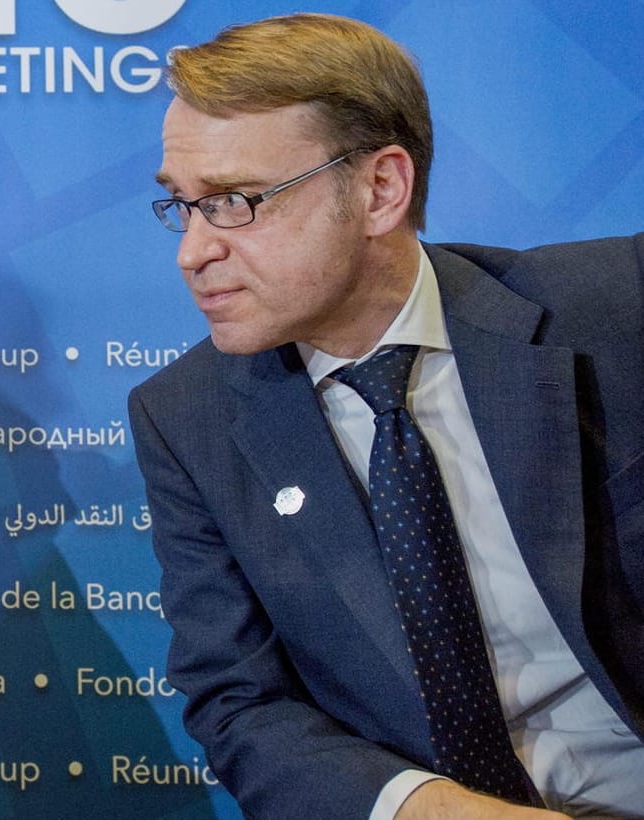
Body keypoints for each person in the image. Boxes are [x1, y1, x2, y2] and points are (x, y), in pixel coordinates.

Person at [127, 12, 643, 820]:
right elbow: (240, 705)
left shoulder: (615, 309)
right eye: (182, 206)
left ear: (380, 189)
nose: (193, 251)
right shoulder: (185, 418)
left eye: (233, 202)